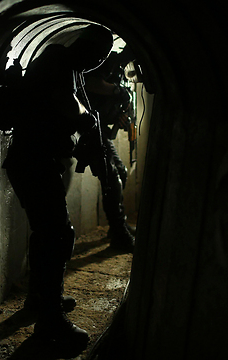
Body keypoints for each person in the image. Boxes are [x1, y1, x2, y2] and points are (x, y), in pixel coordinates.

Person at [1, 24, 113, 350]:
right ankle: (49, 324)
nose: (99, 61)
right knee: (58, 234)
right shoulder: (56, 59)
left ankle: (39, 299)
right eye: (98, 53)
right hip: (33, 160)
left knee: (46, 233)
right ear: (86, 47)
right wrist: (87, 121)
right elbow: (65, 102)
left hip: (37, 161)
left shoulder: (71, 68)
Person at [84, 49, 137, 252]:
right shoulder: (107, 61)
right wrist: (117, 91)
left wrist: (118, 116)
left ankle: (118, 226)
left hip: (100, 129)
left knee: (120, 172)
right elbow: (90, 83)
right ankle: (119, 235)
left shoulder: (120, 69)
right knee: (111, 176)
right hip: (86, 127)